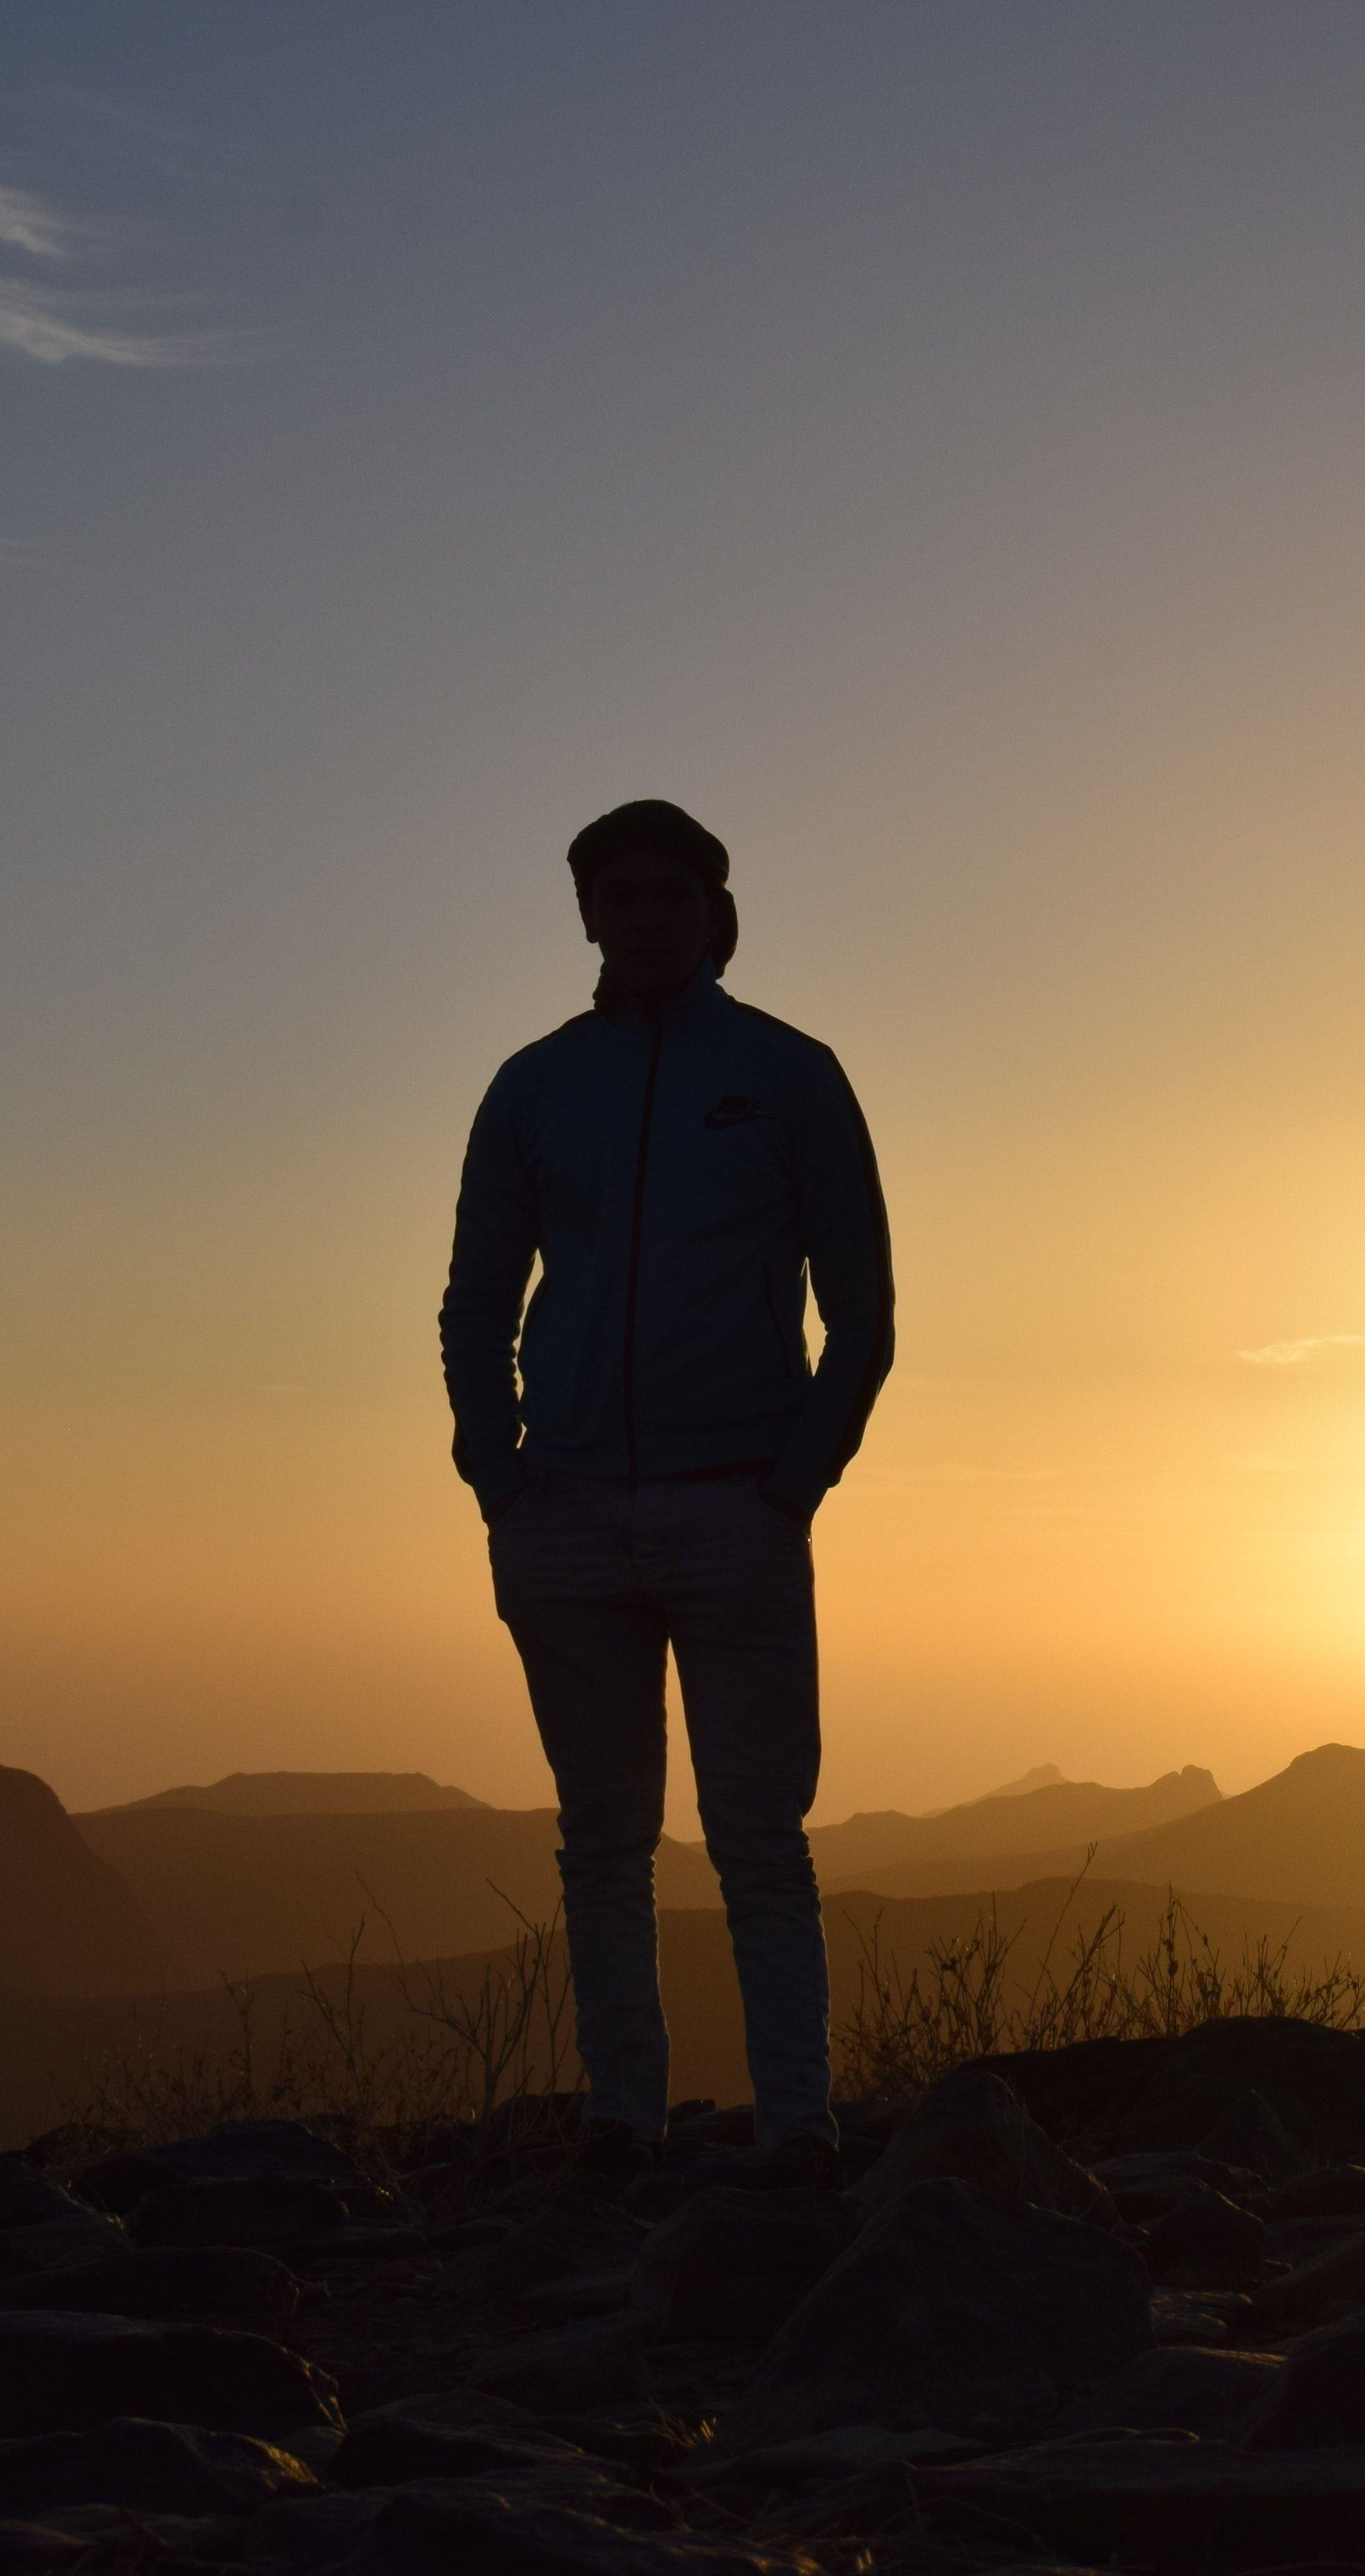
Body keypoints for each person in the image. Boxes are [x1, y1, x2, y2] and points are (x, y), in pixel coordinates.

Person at [438, 799, 893, 2185]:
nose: (642, 913)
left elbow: (861, 1308)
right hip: (565, 1511)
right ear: (585, 910)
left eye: (668, 892)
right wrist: (499, 1473)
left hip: (733, 1508)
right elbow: (478, 1293)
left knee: (758, 1837)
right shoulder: (532, 1085)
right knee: (604, 1839)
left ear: (710, 909)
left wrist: (793, 1480)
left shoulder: (791, 1074)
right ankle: (621, 2123)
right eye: (617, 891)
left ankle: (798, 2128)